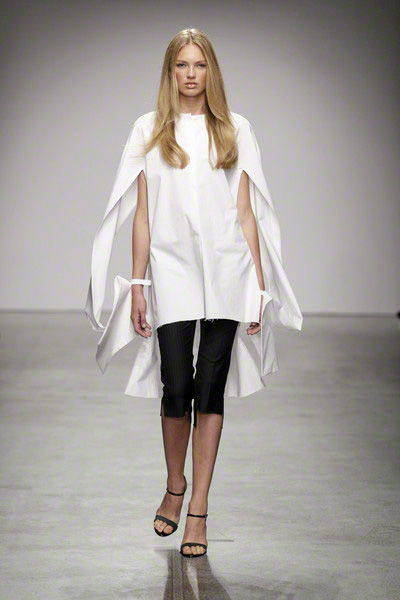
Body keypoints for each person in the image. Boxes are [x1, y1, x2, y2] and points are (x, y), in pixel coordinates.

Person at [85, 28, 303, 558]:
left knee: (210, 389)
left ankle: (199, 508)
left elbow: (246, 212)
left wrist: (258, 286)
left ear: (211, 71)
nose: (190, 74)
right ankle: (174, 484)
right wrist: (138, 284)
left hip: (228, 270)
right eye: (181, 65)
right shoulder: (149, 129)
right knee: (176, 384)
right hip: (172, 271)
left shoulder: (234, 128)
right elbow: (142, 214)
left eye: (199, 65)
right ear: (170, 71)